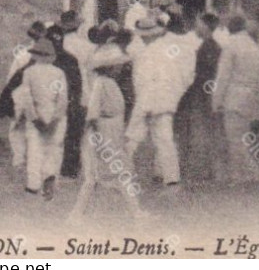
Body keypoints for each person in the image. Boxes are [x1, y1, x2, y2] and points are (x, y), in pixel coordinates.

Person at [71, 30, 141, 219]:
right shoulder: (101, 83)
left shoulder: (110, 83)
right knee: (96, 177)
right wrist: (97, 142)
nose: (119, 68)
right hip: (103, 132)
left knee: (117, 174)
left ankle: (135, 212)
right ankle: (77, 215)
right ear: (109, 67)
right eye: (116, 65)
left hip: (113, 131)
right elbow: (93, 115)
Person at [125, 12, 196, 187]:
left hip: (148, 100)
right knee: (164, 139)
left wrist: (145, 104)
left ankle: (121, 171)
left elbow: (144, 81)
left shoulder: (147, 54)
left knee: (132, 138)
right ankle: (171, 177)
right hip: (166, 100)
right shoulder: (167, 50)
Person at [212, 15, 259, 184]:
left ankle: (251, 174)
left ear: (230, 28)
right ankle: (241, 175)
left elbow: (223, 77)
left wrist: (216, 102)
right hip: (251, 97)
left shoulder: (230, 46)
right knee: (242, 138)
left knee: (234, 139)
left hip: (234, 97)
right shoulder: (254, 46)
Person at [14, 37, 68, 199]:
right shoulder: (58, 73)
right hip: (54, 113)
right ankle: (50, 176)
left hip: (36, 112)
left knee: (34, 149)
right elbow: (62, 99)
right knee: (53, 148)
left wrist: (35, 119)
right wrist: (55, 119)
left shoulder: (29, 72)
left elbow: (26, 98)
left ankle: (33, 185)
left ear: (36, 55)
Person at [176, 12, 225, 182]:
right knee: (207, 131)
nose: (196, 27)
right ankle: (209, 170)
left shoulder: (209, 48)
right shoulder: (212, 46)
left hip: (204, 95)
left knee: (204, 131)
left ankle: (208, 170)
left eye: (199, 24)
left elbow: (204, 76)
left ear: (205, 26)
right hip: (206, 94)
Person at [0, 20, 46, 169]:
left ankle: (19, 159)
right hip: (37, 95)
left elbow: (11, 78)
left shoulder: (22, 54)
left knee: (17, 127)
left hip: (20, 95)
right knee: (34, 127)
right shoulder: (48, 55)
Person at [47, 24, 84, 179]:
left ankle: (69, 167)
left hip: (66, 101)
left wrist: (74, 101)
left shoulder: (69, 59)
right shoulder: (45, 59)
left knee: (71, 134)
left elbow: (77, 83)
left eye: (59, 40)